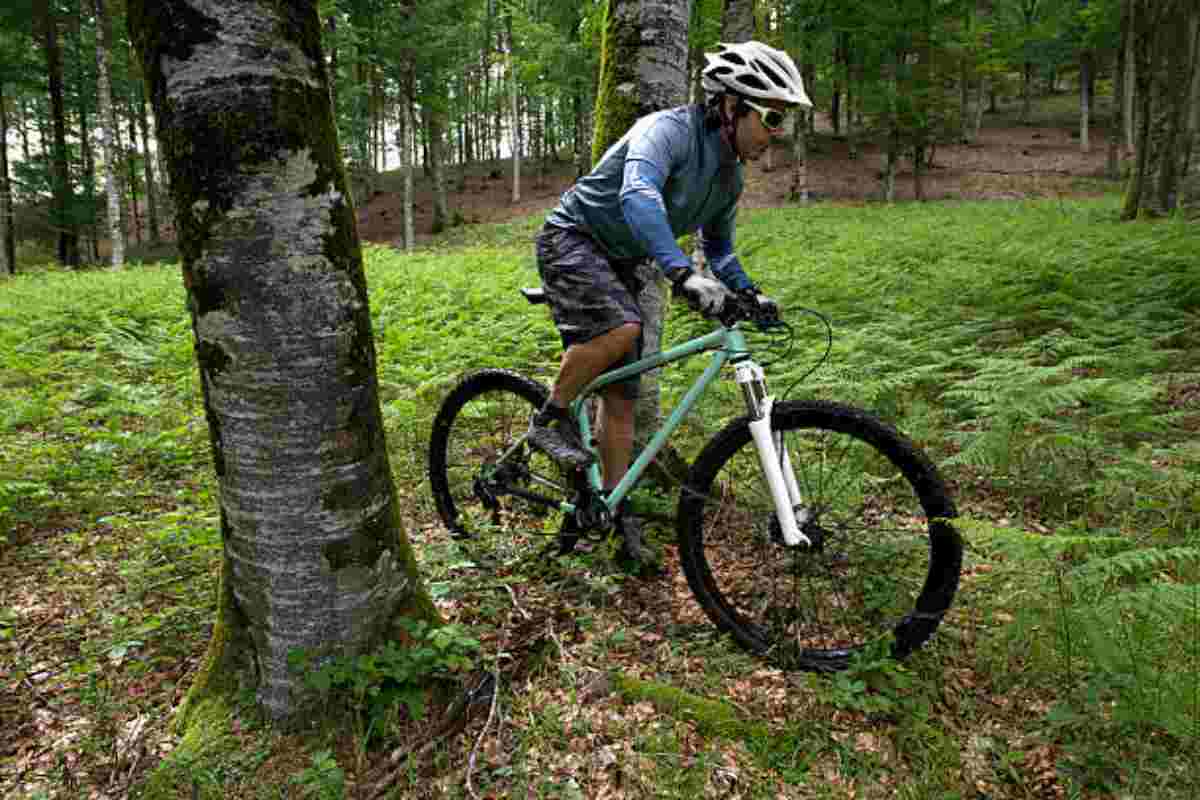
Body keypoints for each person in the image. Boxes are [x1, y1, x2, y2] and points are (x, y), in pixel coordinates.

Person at [528, 41, 813, 565]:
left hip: (625, 258)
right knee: (622, 330)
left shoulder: (729, 177)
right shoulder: (666, 132)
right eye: (772, 117)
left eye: (785, 122)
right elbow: (638, 196)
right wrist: (680, 275)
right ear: (731, 105)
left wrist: (749, 292)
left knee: (622, 397)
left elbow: (720, 249)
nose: (777, 133)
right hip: (572, 237)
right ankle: (549, 420)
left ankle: (611, 514)